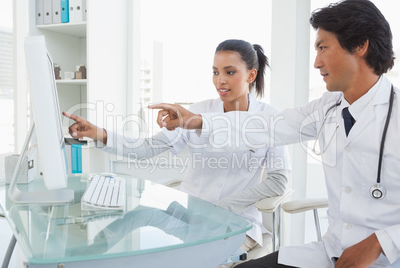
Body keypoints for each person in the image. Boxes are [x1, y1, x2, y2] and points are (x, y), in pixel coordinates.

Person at [149, 0, 400, 267]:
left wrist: (380, 242)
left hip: (387, 258)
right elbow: (267, 126)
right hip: (330, 252)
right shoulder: (328, 107)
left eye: (323, 47)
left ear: (360, 45)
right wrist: (197, 121)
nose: (316, 63)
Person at [63, 39, 291, 266]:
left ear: (251, 75)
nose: (220, 80)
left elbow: (279, 181)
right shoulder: (197, 112)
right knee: (141, 231)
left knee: (200, 260)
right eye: (215, 72)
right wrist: (99, 133)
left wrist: (225, 206)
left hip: (236, 225)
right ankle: (91, 255)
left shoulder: (269, 118)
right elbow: (146, 149)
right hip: (189, 218)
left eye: (230, 72)